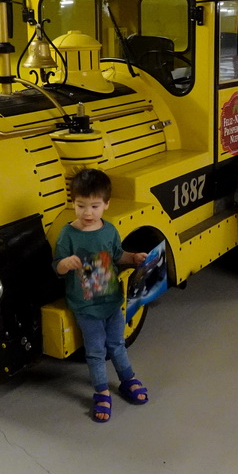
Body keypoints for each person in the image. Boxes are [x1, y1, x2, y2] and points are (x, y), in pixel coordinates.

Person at [54, 168, 150, 422]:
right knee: (95, 351)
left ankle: (127, 379)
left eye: (95, 206)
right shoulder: (68, 235)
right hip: (86, 307)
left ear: (106, 205)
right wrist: (66, 264)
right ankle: (102, 391)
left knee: (117, 344)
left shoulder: (109, 231)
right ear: (72, 202)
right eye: (81, 205)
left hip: (111, 301)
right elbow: (57, 267)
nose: (88, 213)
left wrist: (135, 257)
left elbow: (118, 255)